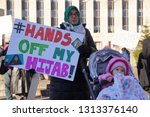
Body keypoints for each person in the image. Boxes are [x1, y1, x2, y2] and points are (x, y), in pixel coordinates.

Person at [49, 5, 97, 100]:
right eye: (71, 14)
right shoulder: (59, 31)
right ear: (67, 17)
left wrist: (86, 50)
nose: (73, 17)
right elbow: (47, 51)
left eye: (76, 14)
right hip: (61, 79)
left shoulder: (85, 32)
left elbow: (94, 52)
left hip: (80, 78)